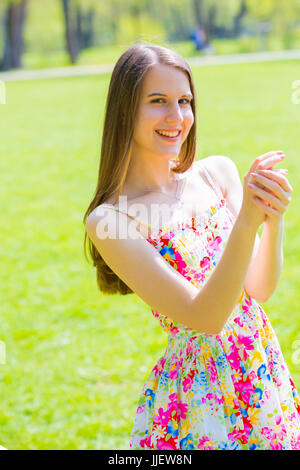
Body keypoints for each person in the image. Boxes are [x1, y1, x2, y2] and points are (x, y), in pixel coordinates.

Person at [83, 43, 300, 450]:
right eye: (158, 101)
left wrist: (273, 219)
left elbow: (259, 290)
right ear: (124, 110)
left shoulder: (217, 174)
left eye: (185, 101)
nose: (177, 116)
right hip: (201, 399)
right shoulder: (110, 220)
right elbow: (205, 317)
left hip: (260, 372)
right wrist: (247, 222)